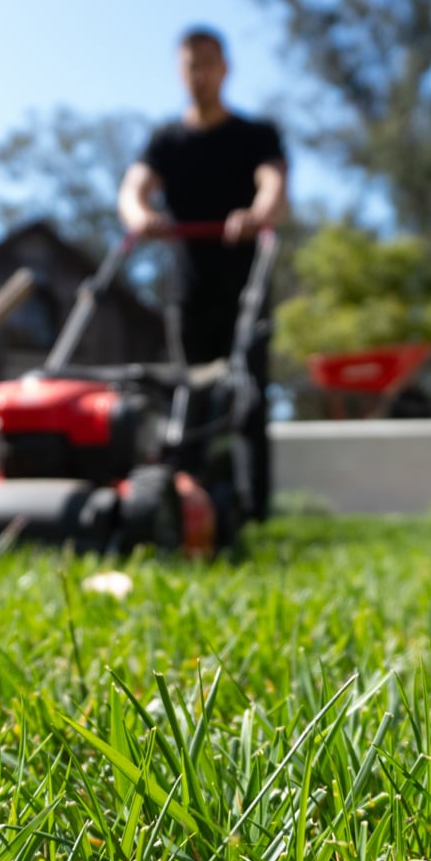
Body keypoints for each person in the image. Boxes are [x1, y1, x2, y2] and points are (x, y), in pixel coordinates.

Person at [118, 26, 288, 522]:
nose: (200, 73)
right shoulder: (166, 141)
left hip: (246, 289)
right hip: (188, 290)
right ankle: (188, 504)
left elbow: (273, 183)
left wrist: (258, 212)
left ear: (226, 68)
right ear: (180, 71)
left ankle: (254, 511)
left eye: (209, 62)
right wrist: (139, 217)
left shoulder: (255, 135)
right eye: (191, 64)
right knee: (189, 394)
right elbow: (134, 188)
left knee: (249, 398)